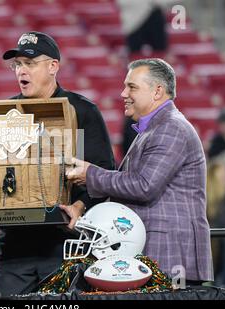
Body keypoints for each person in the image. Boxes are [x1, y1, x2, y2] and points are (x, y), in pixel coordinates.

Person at [65, 58, 214, 284]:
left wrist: (91, 174)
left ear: (157, 91)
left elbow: (144, 186)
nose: (123, 93)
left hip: (169, 257)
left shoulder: (170, 128)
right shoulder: (155, 128)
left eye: (132, 87)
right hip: (161, 256)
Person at [0, 31, 115, 296]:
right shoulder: (5, 113)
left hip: (65, 243)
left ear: (53, 67)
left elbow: (104, 172)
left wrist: (80, 206)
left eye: (30, 63)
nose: (20, 71)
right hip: (14, 247)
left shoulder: (82, 110)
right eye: (17, 64)